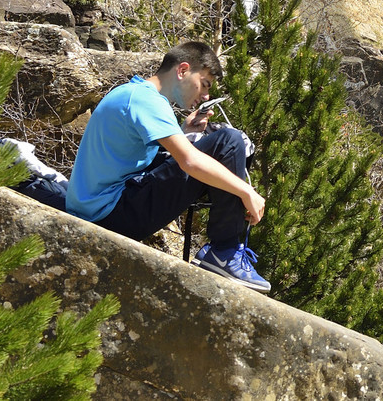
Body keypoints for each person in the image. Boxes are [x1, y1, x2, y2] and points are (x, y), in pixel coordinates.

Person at [66, 40, 271, 292]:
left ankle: (225, 250)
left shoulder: (131, 93)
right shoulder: (146, 100)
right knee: (229, 141)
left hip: (98, 209)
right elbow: (189, 161)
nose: (206, 96)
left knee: (211, 146)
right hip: (111, 214)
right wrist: (246, 191)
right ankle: (224, 250)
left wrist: (184, 131)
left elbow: (140, 160)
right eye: (205, 84)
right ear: (183, 70)